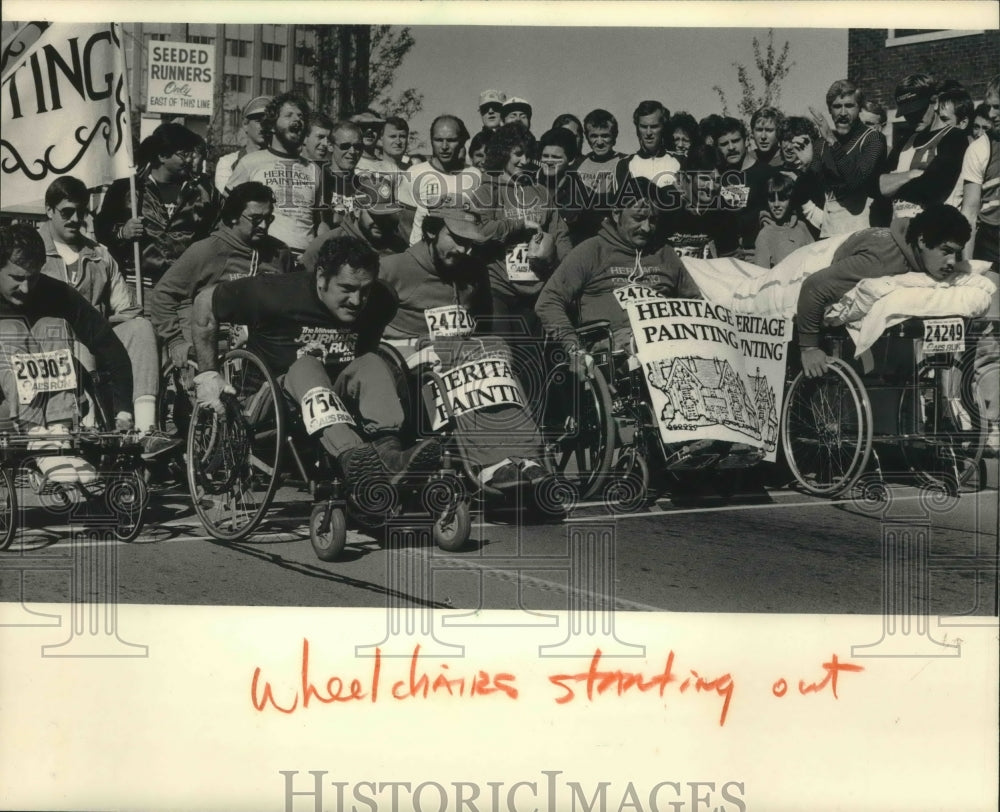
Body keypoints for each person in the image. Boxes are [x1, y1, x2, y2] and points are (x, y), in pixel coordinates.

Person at [190, 235, 440, 489]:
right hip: (269, 399)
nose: (357, 301)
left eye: (365, 290)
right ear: (321, 278)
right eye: (347, 289)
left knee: (371, 362)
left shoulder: (382, 300)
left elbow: (367, 343)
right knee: (307, 365)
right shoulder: (273, 293)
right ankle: (353, 458)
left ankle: (390, 454)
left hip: (334, 396)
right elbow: (204, 302)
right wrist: (208, 374)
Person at [378, 207, 550, 490]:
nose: (464, 250)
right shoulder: (391, 268)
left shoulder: (471, 271)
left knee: (495, 348)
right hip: (408, 364)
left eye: (470, 243)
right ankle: (488, 464)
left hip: (457, 352)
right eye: (456, 239)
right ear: (431, 232)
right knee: (458, 354)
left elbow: (480, 324)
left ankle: (525, 455)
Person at [38, 177, 177, 460]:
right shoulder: (32, 251)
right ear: (49, 210)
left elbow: (126, 310)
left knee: (140, 327)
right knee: (69, 334)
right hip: (48, 344)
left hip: (96, 338)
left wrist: (98, 323)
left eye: (82, 212)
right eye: (67, 212)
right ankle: (85, 428)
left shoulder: (99, 255)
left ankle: (144, 429)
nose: (75, 219)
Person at [1, 224, 135, 485]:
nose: (26, 289)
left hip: (49, 402)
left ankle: (58, 435)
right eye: (17, 278)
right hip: (6, 405)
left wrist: (123, 411)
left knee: (52, 325)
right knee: (9, 329)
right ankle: (39, 439)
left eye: (33, 277)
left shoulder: (56, 292)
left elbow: (109, 346)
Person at [797, 204, 972, 378]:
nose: (952, 262)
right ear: (922, 241)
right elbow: (813, 287)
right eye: (946, 251)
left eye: (956, 254)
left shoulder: (920, 254)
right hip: (796, 276)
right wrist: (809, 347)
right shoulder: (881, 260)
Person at [536, 176, 702, 357]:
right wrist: (573, 347)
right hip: (613, 352)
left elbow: (695, 304)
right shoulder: (592, 250)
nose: (646, 228)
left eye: (653, 220)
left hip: (667, 345)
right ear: (616, 214)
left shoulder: (666, 253)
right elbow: (548, 301)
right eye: (638, 218)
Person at [148, 182, 295, 371]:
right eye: (256, 219)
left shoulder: (280, 252)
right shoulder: (208, 250)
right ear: (234, 216)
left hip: (268, 348)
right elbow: (163, 295)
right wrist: (176, 341)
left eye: (269, 218)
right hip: (218, 349)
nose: (264, 225)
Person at [96, 122, 222, 296]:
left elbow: (220, 232)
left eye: (191, 153)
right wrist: (122, 232)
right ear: (162, 155)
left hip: (185, 292)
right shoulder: (127, 189)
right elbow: (100, 229)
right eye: (184, 154)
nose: (190, 159)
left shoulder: (204, 192)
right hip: (136, 289)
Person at [471, 122, 571, 333]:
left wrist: (566, 271)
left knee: (532, 359)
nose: (524, 161)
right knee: (503, 353)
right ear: (503, 152)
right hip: (498, 289)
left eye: (527, 154)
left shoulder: (540, 191)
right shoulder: (487, 190)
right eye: (517, 153)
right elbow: (480, 232)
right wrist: (519, 224)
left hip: (538, 289)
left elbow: (560, 234)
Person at [225, 92, 321, 259]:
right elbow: (227, 214)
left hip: (304, 262)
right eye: (288, 115)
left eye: (301, 116)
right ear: (271, 125)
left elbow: (319, 220)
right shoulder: (250, 162)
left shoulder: (314, 169)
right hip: (267, 258)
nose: (297, 120)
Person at [879, 74, 969, 219]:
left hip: (937, 231)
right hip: (900, 231)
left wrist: (892, 184)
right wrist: (911, 174)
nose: (913, 117)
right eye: (908, 113)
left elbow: (932, 189)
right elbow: (876, 186)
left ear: (935, 101)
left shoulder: (954, 137)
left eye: (918, 109)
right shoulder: (904, 142)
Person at [808, 79, 886, 236]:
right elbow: (812, 188)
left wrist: (831, 140)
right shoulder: (821, 144)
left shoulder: (873, 138)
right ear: (830, 110)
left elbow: (855, 180)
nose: (843, 113)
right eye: (837, 106)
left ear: (859, 109)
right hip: (829, 234)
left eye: (849, 106)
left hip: (863, 232)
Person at [402, 115, 482, 244]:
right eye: (438, 140)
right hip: (425, 259)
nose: (444, 146)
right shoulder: (415, 172)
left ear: (461, 141)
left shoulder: (474, 174)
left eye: (451, 140)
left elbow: (478, 221)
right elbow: (404, 223)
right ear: (432, 140)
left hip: (461, 256)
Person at [301, 181, 408, 272]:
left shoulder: (398, 246)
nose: (380, 222)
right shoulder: (326, 243)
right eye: (374, 215)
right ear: (357, 210)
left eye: (386, 215)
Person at [663, 144, 740, 259]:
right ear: (689, 176)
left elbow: (729, 255)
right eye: (704, 179)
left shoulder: (722, 207)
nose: (711, 187)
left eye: (717, 180)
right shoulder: (666, 200)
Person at [536, 126, 603, 246]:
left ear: (571, 160)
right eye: (545, 156)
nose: (549, 162)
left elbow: (591, 241)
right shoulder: (525, 187)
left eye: (556, 158)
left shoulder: (585, 196)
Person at [960, 74, 1000, 263]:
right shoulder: (980, 148)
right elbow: (969, 211)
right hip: (993, 241)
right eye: (989, 107)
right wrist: (969, 265)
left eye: (997, 107)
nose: (991, 114)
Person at [613, 101, 681, 194]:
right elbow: (622, 205)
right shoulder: (624, 164)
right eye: (644, 127)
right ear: (637, 129)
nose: (648, 133)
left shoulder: (681, 160)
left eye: (654, 126)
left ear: (663, 127)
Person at [754, 173, 814, 268]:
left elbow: (815, 258)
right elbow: (761, 275)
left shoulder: (801, 226)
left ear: (791, 200)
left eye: (782, 199)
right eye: (772, 199)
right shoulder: (765, 235)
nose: (776, 204)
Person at [215, 96, 270, 194]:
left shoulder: (279, 160)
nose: (264, 126)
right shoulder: (228, 162)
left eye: (268, 122)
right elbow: (226, 202)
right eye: (258, 121)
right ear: (245, 125)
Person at [575, 109, 624, 206]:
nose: (600, 142)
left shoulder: (624, 162)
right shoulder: (578, 164)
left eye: (605, 136)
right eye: (594, 136)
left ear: (615, 135)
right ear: (587, 137)